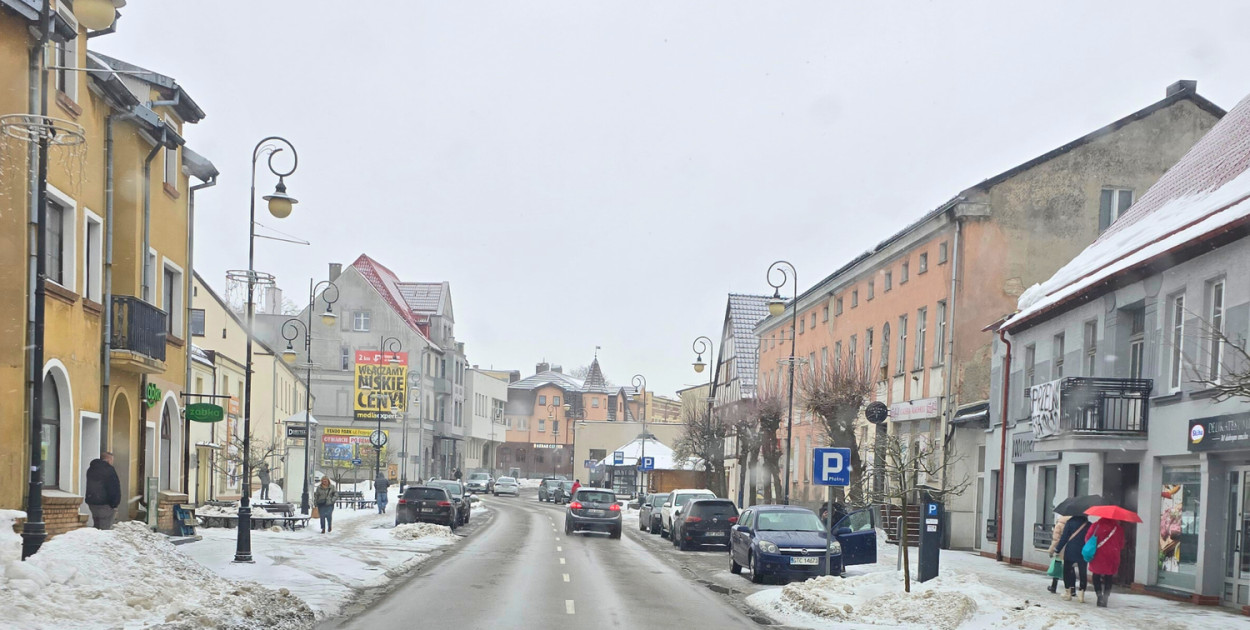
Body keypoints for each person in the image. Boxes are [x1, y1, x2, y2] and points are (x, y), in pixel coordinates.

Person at [1084, 516, 1125, 607]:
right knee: (1108, 576)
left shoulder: (1096, 526)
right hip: (1112, 555)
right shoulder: (1118, 529)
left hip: (1098, 554)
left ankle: (1099, 596)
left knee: (1096, 574)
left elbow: (1087, 538)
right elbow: (1121, 544)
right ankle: (1106, 598)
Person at [1054, 515, 1089, 601]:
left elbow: (1064, 538)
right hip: (1083, 550)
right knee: (1083, 571)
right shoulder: (1088, 524)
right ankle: (1081, 593)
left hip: (1071, 550)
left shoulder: (1070, 523)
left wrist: (1057, 549)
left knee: (1067, 571)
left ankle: (1068, 592)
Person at [85, 452, 121, 530]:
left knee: (97, 526)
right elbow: (113, 487)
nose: (112, 462)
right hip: (106, 504)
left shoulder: (91, 469)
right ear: (108, 460)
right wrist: (114, 504)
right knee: (105, 528)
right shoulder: (109, 469)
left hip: (93, 502)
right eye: (112, 460)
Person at [1047, 514, 1071, 594]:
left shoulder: (1059, 525)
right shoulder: (1071, 524)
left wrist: (1051, 551)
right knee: (1069, 569)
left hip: (1060, 550)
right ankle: (1071, 589)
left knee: (1057, 568)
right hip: (1069, 549)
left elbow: (1056, 540)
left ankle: (1054, 587)